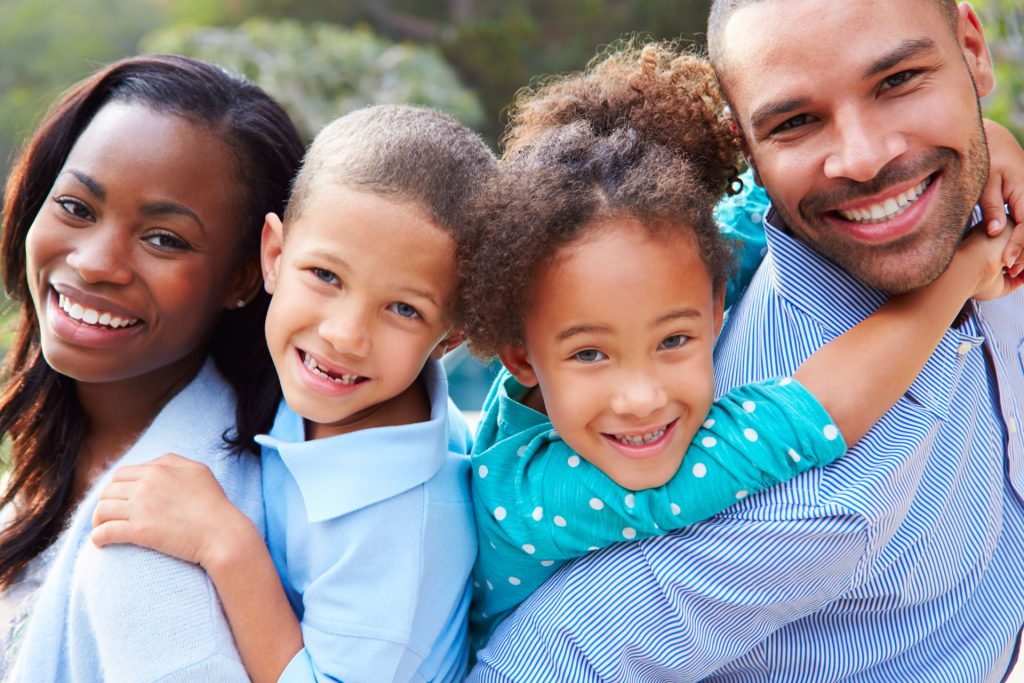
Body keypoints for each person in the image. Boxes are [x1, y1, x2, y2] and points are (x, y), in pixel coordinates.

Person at [470, 2, 1024, 680]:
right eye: (795, 121)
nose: (867, 154)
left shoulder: (715, 250)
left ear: (973, 50)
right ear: (753, 148)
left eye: (900, 79)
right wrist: (968, 267)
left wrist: (991, 143)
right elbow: (545, 658)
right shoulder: (799, 494)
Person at [89, 105, 496, 682]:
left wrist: (226, 544)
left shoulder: (403, 527)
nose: (344, 336)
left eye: (404, 309)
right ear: (274, 256)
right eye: (325, 276)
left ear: (451, 336)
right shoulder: (316, 388)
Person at [0, 54, 304, 681]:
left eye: (164, 239)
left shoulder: (180, 538)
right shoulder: (50, 458)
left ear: (246, 276)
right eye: (78, 207)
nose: (95, 262)